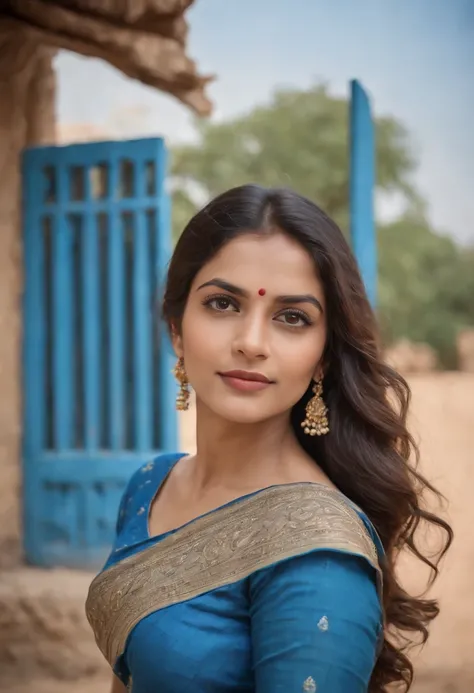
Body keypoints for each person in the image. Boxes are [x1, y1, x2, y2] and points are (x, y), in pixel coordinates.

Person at [86, 185, 452, 693]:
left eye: (292, 317)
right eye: (221, 303)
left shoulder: (316, 554)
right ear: (176, 328)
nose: (251, 343)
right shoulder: (150, 486)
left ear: (323, 355)